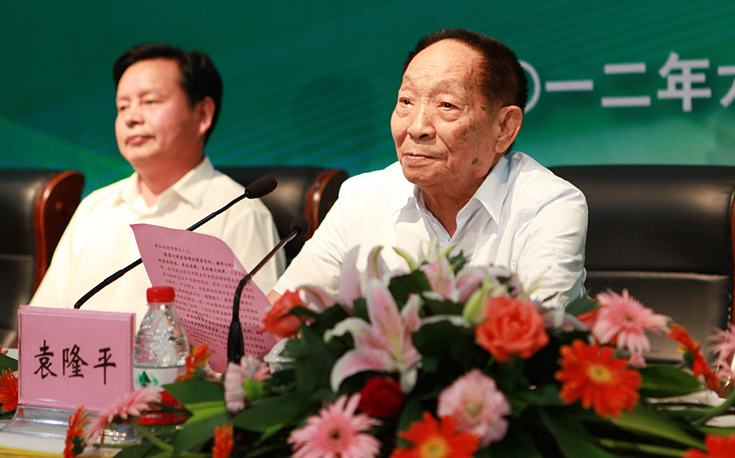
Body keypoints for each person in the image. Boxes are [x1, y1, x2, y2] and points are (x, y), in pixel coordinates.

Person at [270, 28, 586, 307]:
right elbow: (278, 316)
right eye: (406, 102)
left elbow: (537, 337)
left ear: (504, 128)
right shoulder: (361, 198)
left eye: (447, 105)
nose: (416, 127)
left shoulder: (547, 206)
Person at [31, 43, 285, 322]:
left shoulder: (239, 214)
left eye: (150, 102)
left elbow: (260, 338)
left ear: (202, 115)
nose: (131, 118)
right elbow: (41, 321)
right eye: (122, 106)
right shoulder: (94, 209)